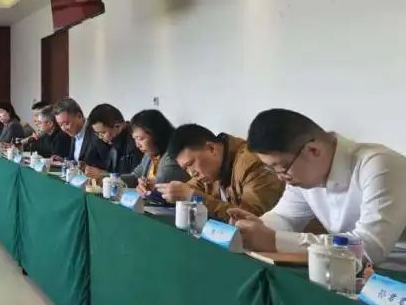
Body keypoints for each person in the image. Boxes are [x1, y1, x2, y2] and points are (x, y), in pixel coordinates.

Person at [227, 109, 406, 268]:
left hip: (394, 275)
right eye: (271, 169)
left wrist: (275, 241)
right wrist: (255, 228)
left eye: (281, 167)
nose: (280, 177)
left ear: (313, 150)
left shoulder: (379, 165)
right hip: (346, 269)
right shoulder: (304, 175)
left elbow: (369, 247)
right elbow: (285, 217)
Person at [159, 123, 284, 222]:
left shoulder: (253, 164)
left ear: (211, 148)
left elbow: (250, 219)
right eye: (186, 169)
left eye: (190, 164)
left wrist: (196, 197)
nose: (192, 173)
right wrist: (167, 192)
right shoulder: (210, 168)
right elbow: (190, 188)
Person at [125, 108, 189, 189]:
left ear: (157, 135)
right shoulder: (150, 154)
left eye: (141, 139)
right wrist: (112, 179)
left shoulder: (174, 155)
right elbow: (135, 176)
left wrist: (144, 184)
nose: (138, 145)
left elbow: (161, 181)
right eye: (135, 139)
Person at [86, 103, 142, 178]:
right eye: (97, 133)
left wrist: (104, 175)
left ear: (117, 126)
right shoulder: (107, 142)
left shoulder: (136, 143)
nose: (100, 137)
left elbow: (134, 178)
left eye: (103, 132)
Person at [52, 98, 110, 170]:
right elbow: (76, 161)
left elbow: (108, 165)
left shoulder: (96, 132)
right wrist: (64, 161)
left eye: (66, 123)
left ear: (79, 116)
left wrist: (87, 167)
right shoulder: (74, 133)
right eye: (60, 125)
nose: (64, 129)